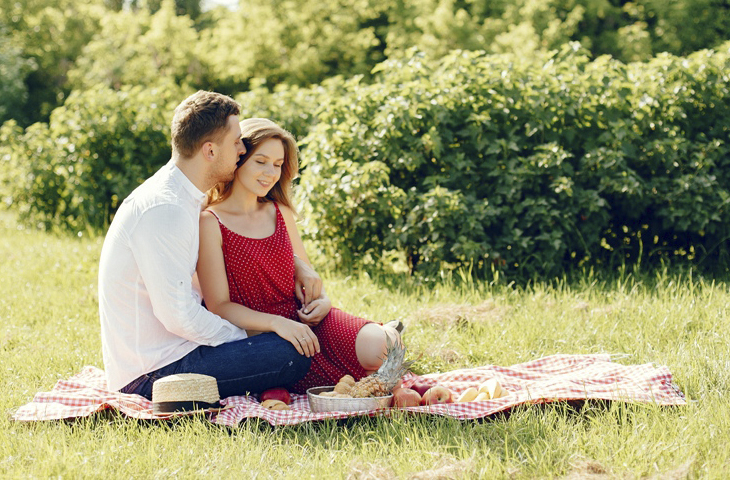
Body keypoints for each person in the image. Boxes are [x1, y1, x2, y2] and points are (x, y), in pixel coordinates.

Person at [98, 91, 322, 400]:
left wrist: (296, 265)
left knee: (289, 340)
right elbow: (177, 315)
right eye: (235, 142)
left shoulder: (184, 196)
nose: (242, 150)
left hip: (178, 349)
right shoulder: (166, 210)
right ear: (210, 151)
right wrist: (248, 337)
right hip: (152, 373)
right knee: (289, 353)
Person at [196, 118, 402, 394]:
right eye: (261, 161)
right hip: (270, 339)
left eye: (278, 164)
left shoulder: (280, 211)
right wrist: (277, 324)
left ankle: (388, 332)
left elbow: (308, 277)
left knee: (385, 348)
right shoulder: (210, 222)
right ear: (239, 159)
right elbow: (218, 305)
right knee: (343, 376)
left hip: (308, 321)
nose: (271, 172)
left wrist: (323, 302)